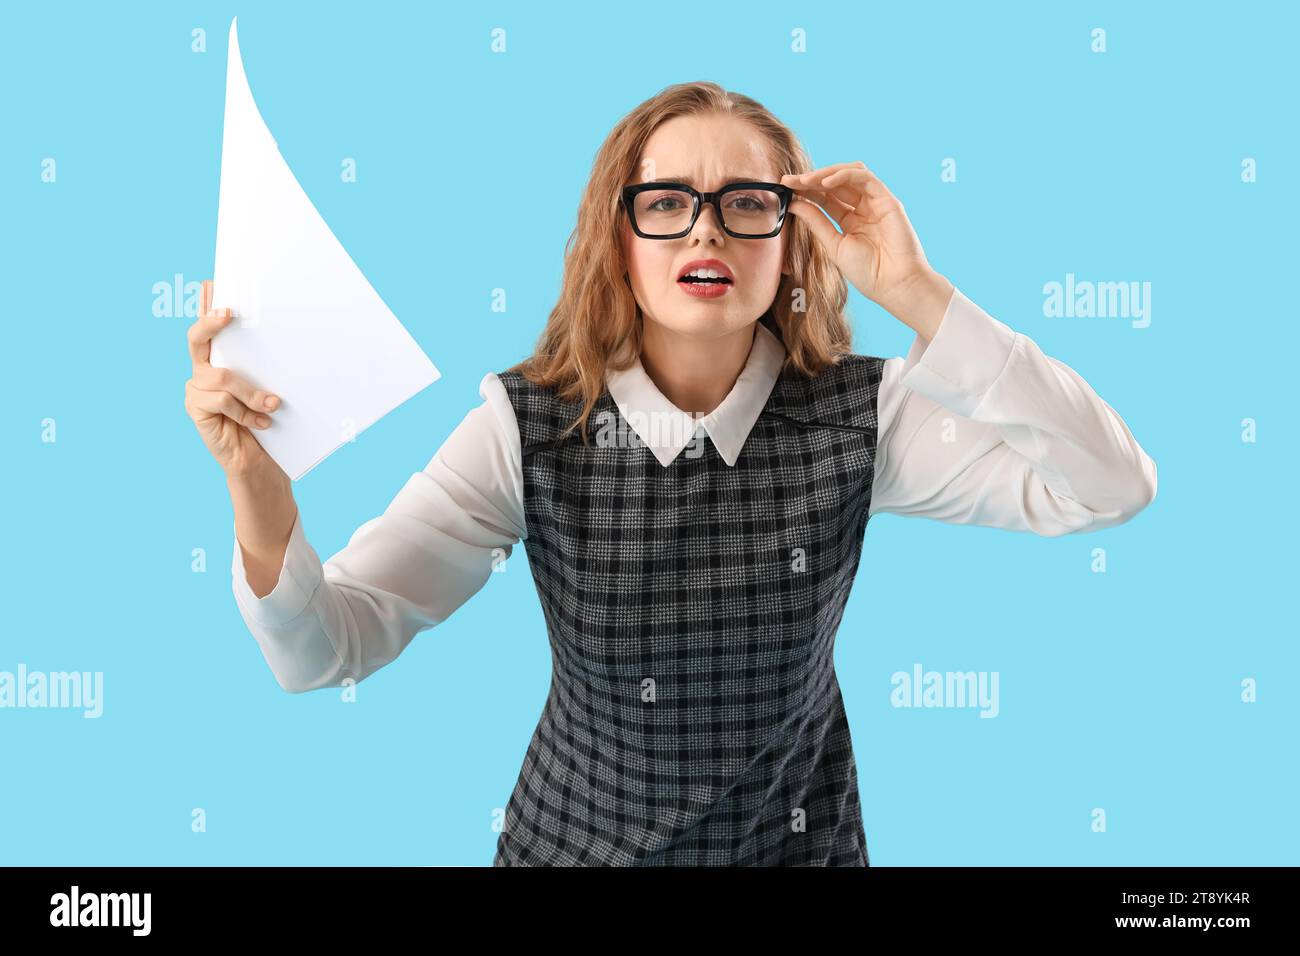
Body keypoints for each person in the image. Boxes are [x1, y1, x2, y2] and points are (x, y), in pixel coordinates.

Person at [184, 81, 1157, 866]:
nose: (705, 231)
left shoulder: (869, 411)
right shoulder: (523, 426)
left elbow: (1107, 484)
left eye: (747, 203)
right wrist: (263, 507)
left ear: (793, 240)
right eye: (666, 203)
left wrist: (918, 292)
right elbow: (321, 652)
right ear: (619, 240)